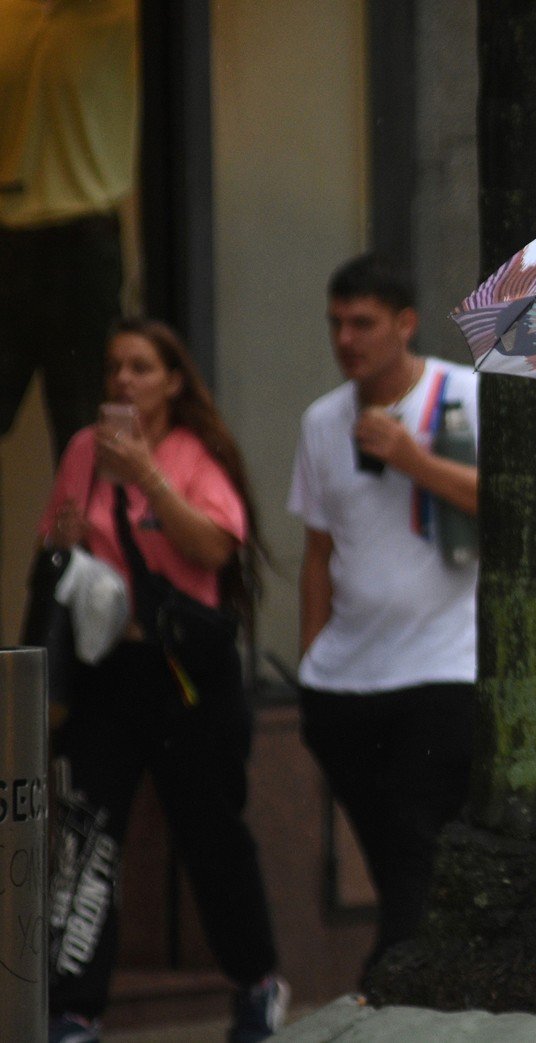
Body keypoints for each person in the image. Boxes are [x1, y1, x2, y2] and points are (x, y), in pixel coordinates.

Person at [41, 319, 286, 1043]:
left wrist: (147, 476)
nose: (123, 380)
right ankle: (74, 1007)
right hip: (104, 667)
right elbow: (54, 546)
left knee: (211, 835)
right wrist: (64, 537)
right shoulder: (85, 449)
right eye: (115, 367)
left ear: (173, 380)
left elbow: (214, 546)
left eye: (141, 367)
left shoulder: (195, 453)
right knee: (87, 836)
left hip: (185, 673)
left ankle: (255, 983)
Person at [288, 253, 479, 981]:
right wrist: (310, 659)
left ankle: (395, 973)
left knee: (414, 834)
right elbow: (316, 550)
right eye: (335, 323)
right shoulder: (322, 421)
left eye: (362, 322)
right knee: (392, 845)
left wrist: (412, 458)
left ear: (405, 324)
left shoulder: (462, 395)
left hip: (441, 668)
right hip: (344, 680)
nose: (346, 339)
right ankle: (414, 968)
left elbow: (508, 507)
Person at [1, 0, 138, 459]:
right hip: (9, 234)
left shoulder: (124, 17)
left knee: (86, 423)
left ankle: (95, 529)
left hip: (84, 238)